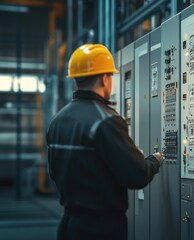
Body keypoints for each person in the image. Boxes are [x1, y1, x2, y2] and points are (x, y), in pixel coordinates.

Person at [46, 43, 163, 240]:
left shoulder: (57, 121)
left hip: (69, 225)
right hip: (101, 228)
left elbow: (54, 172)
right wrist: (154, 160)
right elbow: (136, 176)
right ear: (105, 78)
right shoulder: (106, 120)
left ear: (76, 80)